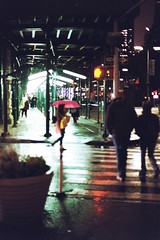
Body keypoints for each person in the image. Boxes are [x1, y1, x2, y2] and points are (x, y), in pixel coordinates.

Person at [103, 89, 137, 182]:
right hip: (126, 132)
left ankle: (121, 173)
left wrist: (110, 131)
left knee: (119, 151)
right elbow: (134, 119)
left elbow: (107, 120)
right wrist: (131, 128)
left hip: (116, 132)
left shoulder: (112, 106)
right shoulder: (129, 106)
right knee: (124, 151)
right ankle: (123, 172)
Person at [135, 101, 159, 182]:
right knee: (150, 154)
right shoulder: (154, 117)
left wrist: (140, 134)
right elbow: (158, 128)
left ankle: (143, 169)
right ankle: (155, 168)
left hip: (144, 138)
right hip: (152, 138)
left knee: (143, 154)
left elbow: (137, 129)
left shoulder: (141, 118)